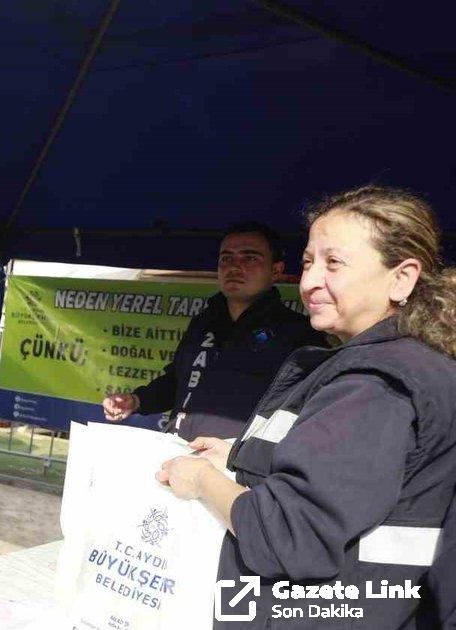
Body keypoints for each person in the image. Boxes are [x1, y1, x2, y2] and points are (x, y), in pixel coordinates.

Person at [158, 186, 456, 628]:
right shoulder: (399, 365)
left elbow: (288, 535)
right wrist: (243, 456)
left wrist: (201, 480)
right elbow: (345, 478)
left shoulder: (377, 383)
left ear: (402, 278)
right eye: (308, 262)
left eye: (333, 263)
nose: (311, 280)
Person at [102, 222, 325, 440]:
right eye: (226, 258)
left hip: (235, 471)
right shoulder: (203, 322)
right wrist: (137, 400)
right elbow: (177, 382)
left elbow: (305, 415)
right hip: (177, 454)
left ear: (276, 270)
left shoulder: (299, 334)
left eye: (250, 258)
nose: (235, 267)